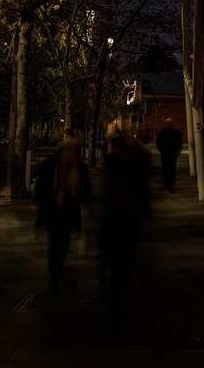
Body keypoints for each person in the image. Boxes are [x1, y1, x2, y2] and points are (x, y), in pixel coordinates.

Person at [97, 130, 151, 334]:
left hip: (117, 229)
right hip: (121, 229)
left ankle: (112, 312)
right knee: (119, 272)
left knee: (116, 273)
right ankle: (114, 312)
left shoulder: (115, 172)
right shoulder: (126, 172)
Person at [34, 128, 91, 292]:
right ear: (66, 150)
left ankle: (58, 265)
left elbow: (85, 186)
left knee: (65, 241)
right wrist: (40, 204)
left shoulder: (79, 167)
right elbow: (41, 185)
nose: (76, 154)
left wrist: (87, 201)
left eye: (77, 150)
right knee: (53, 242)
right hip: (53, 208)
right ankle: (54, 273)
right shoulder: (52, 164)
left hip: (69, 209)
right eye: (73, 150)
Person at [155, 122, 182, 192]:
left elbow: (179, 142)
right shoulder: (162, 132)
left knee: (172, 168)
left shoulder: (176, 132)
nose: (169, 124)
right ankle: (166, 183)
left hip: (172, 153)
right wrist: (161, 149)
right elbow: (158, 141)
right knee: (165, 167)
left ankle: (170, 184)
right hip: (165, 152)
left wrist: (178, 150)